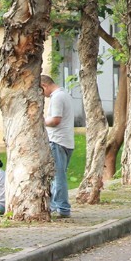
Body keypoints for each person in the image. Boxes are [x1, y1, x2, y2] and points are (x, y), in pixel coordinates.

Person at [41, 74, 74, 218]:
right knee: (58, 176)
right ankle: (56, 205)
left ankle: (62, 207)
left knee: (57, 176)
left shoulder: (57, 97)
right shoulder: (64, 94)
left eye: (41, 91)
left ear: (44, 86)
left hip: (57, 141)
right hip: (65, 141)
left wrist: (39, 121)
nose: (43, 95)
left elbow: (55, 120)